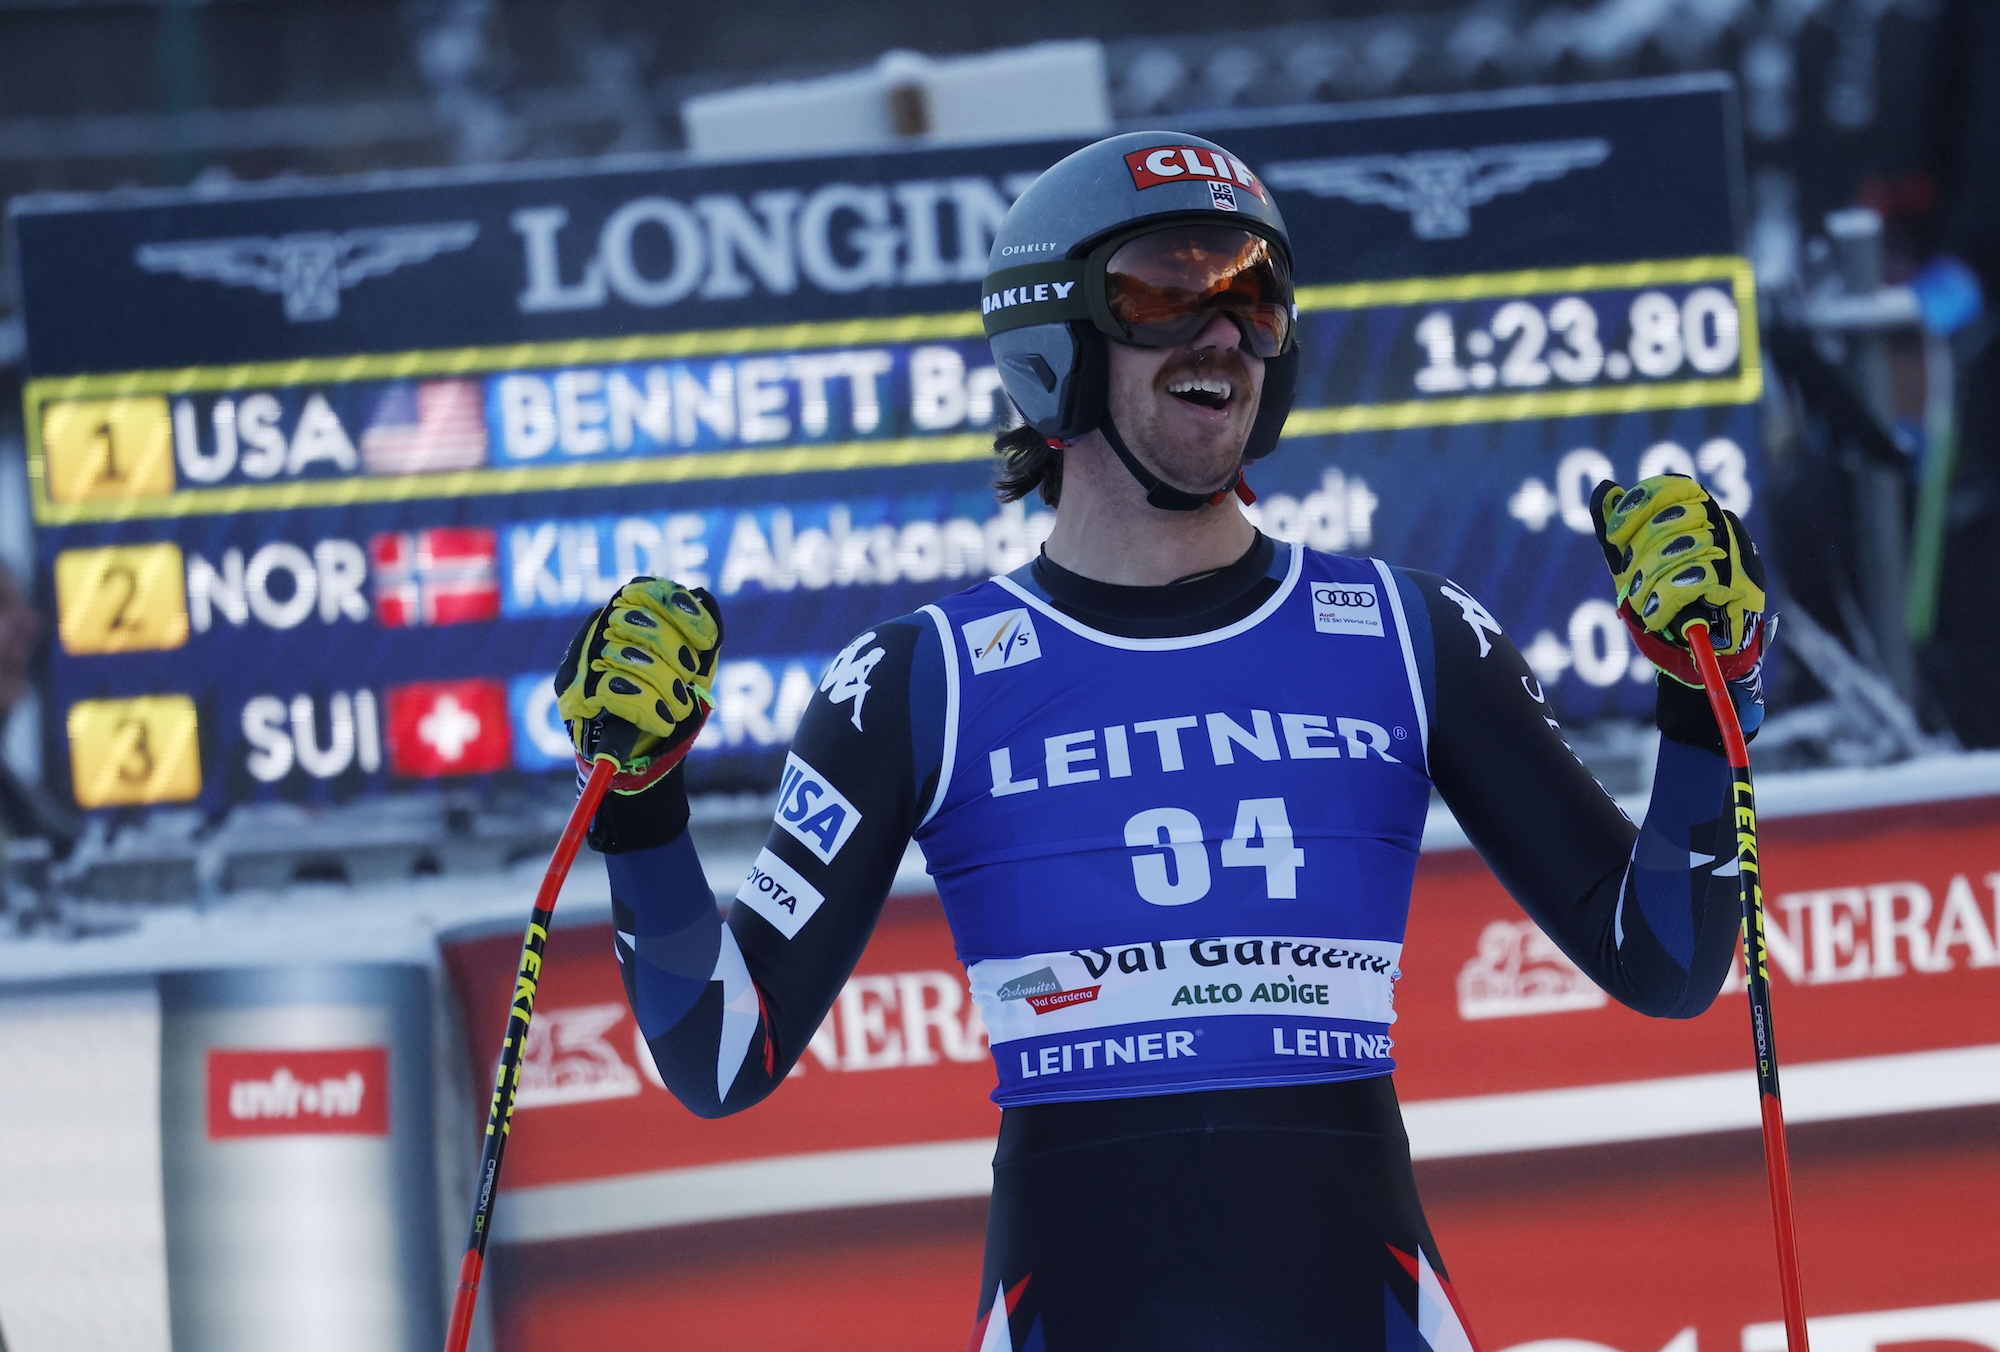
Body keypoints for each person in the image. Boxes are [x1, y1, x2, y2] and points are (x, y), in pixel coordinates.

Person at [552, 131, 1770, 1350]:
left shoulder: (1409, 633)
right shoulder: (924, 678)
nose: (1222, 335)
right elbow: (720, 1051)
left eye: (1252, 297)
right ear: (1055, 343)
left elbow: (1662, 955)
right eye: (1165, 293)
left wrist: (1699, 697)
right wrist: (641, 802)